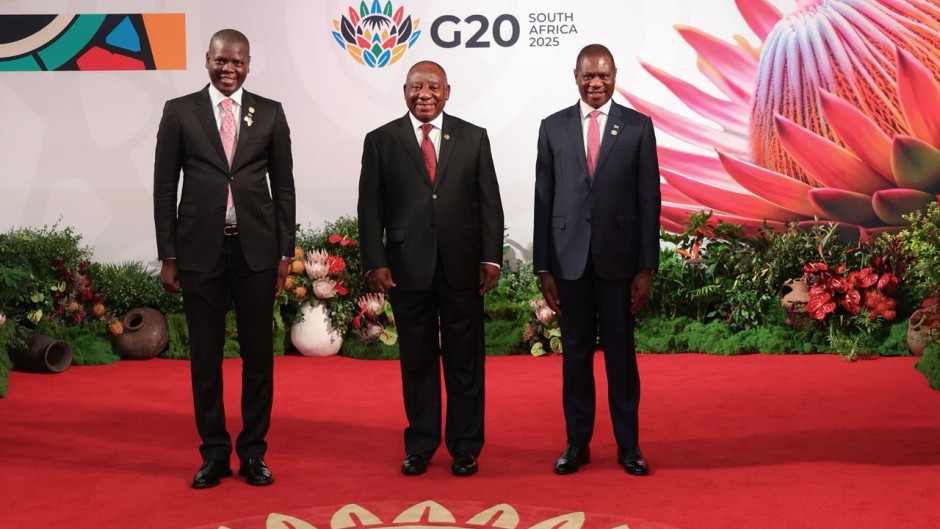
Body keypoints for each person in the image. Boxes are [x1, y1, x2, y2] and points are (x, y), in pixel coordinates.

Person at [153, 29, 295, 488]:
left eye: (237, 61)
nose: (228, 69)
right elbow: (164, 188)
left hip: (256, 249)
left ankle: (253, 452)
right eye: (221, 60)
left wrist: (285, 251)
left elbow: (284, 187)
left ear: (248, 64)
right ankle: (214, 453)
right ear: (207, 60)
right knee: (205, 355)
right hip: (199, 249)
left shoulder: (270, 113)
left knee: (259, 355)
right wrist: (169, 254)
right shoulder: (180, 111)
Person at [357, 61, 504, 477]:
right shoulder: (381, 140)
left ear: (447, 91)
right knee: (417, 362)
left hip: (463, 267)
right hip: (406, 268)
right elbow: (370, 207)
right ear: (405, 91)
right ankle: (420, 445)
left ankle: (465, 447)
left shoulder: (474, 137)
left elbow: (489, 202)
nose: (425, 94)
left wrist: (490, 257)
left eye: (433, 87)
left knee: (465, 361)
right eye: (417, 86)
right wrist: (375, 261)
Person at [533, 44, 661, 476]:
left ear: (615, 76)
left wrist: (646, 267)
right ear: (576, 76)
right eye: (588, 75)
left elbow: (649, 200)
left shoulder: (638, 127)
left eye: (603, 75)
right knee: (575, 357)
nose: (595, 83)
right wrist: (543, 267)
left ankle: (629, 446)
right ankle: (576, 443)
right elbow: (544, 200)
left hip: (620, 264)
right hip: (568, 263)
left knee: (621, 358)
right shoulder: (552, 127)